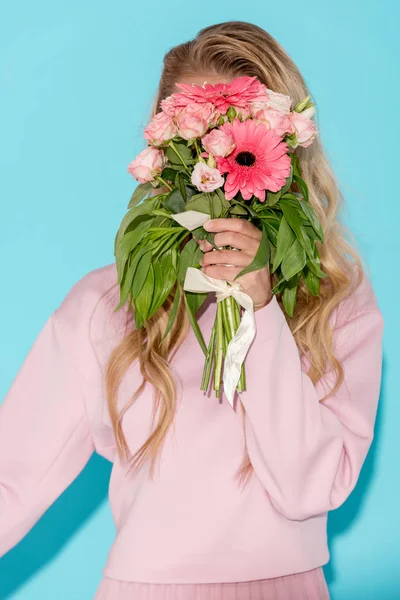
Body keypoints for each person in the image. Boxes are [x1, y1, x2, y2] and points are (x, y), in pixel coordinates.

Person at [0, 21, 384, 600]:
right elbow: (13, 479)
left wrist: (262, 311)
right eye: (193, 138)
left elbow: (313, 487)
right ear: (161, 153)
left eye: (238, 132)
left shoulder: (333, 299)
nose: (217, 167)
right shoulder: (105, 305)